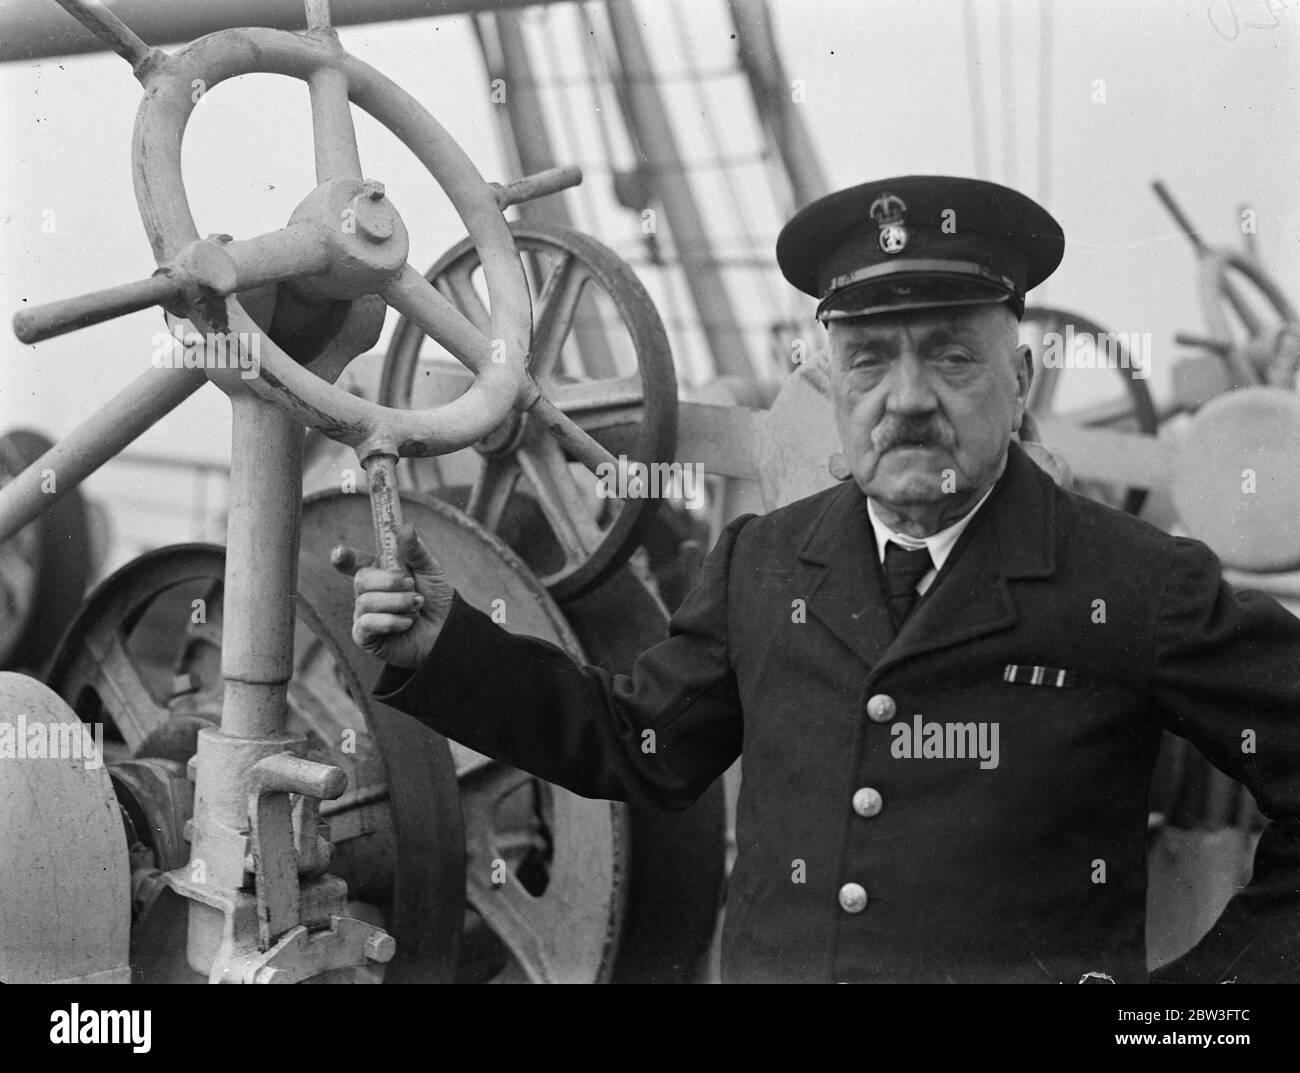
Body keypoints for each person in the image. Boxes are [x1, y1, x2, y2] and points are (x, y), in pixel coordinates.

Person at [333, 176, 1300, 983]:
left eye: (953, 356)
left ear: (1023, 378)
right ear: (829, 381)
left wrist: (1188, 1015)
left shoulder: (1131, 581)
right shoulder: (764, 560)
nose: (908, 399)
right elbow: (641, 746)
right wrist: (447, 645)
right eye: (871, 359)